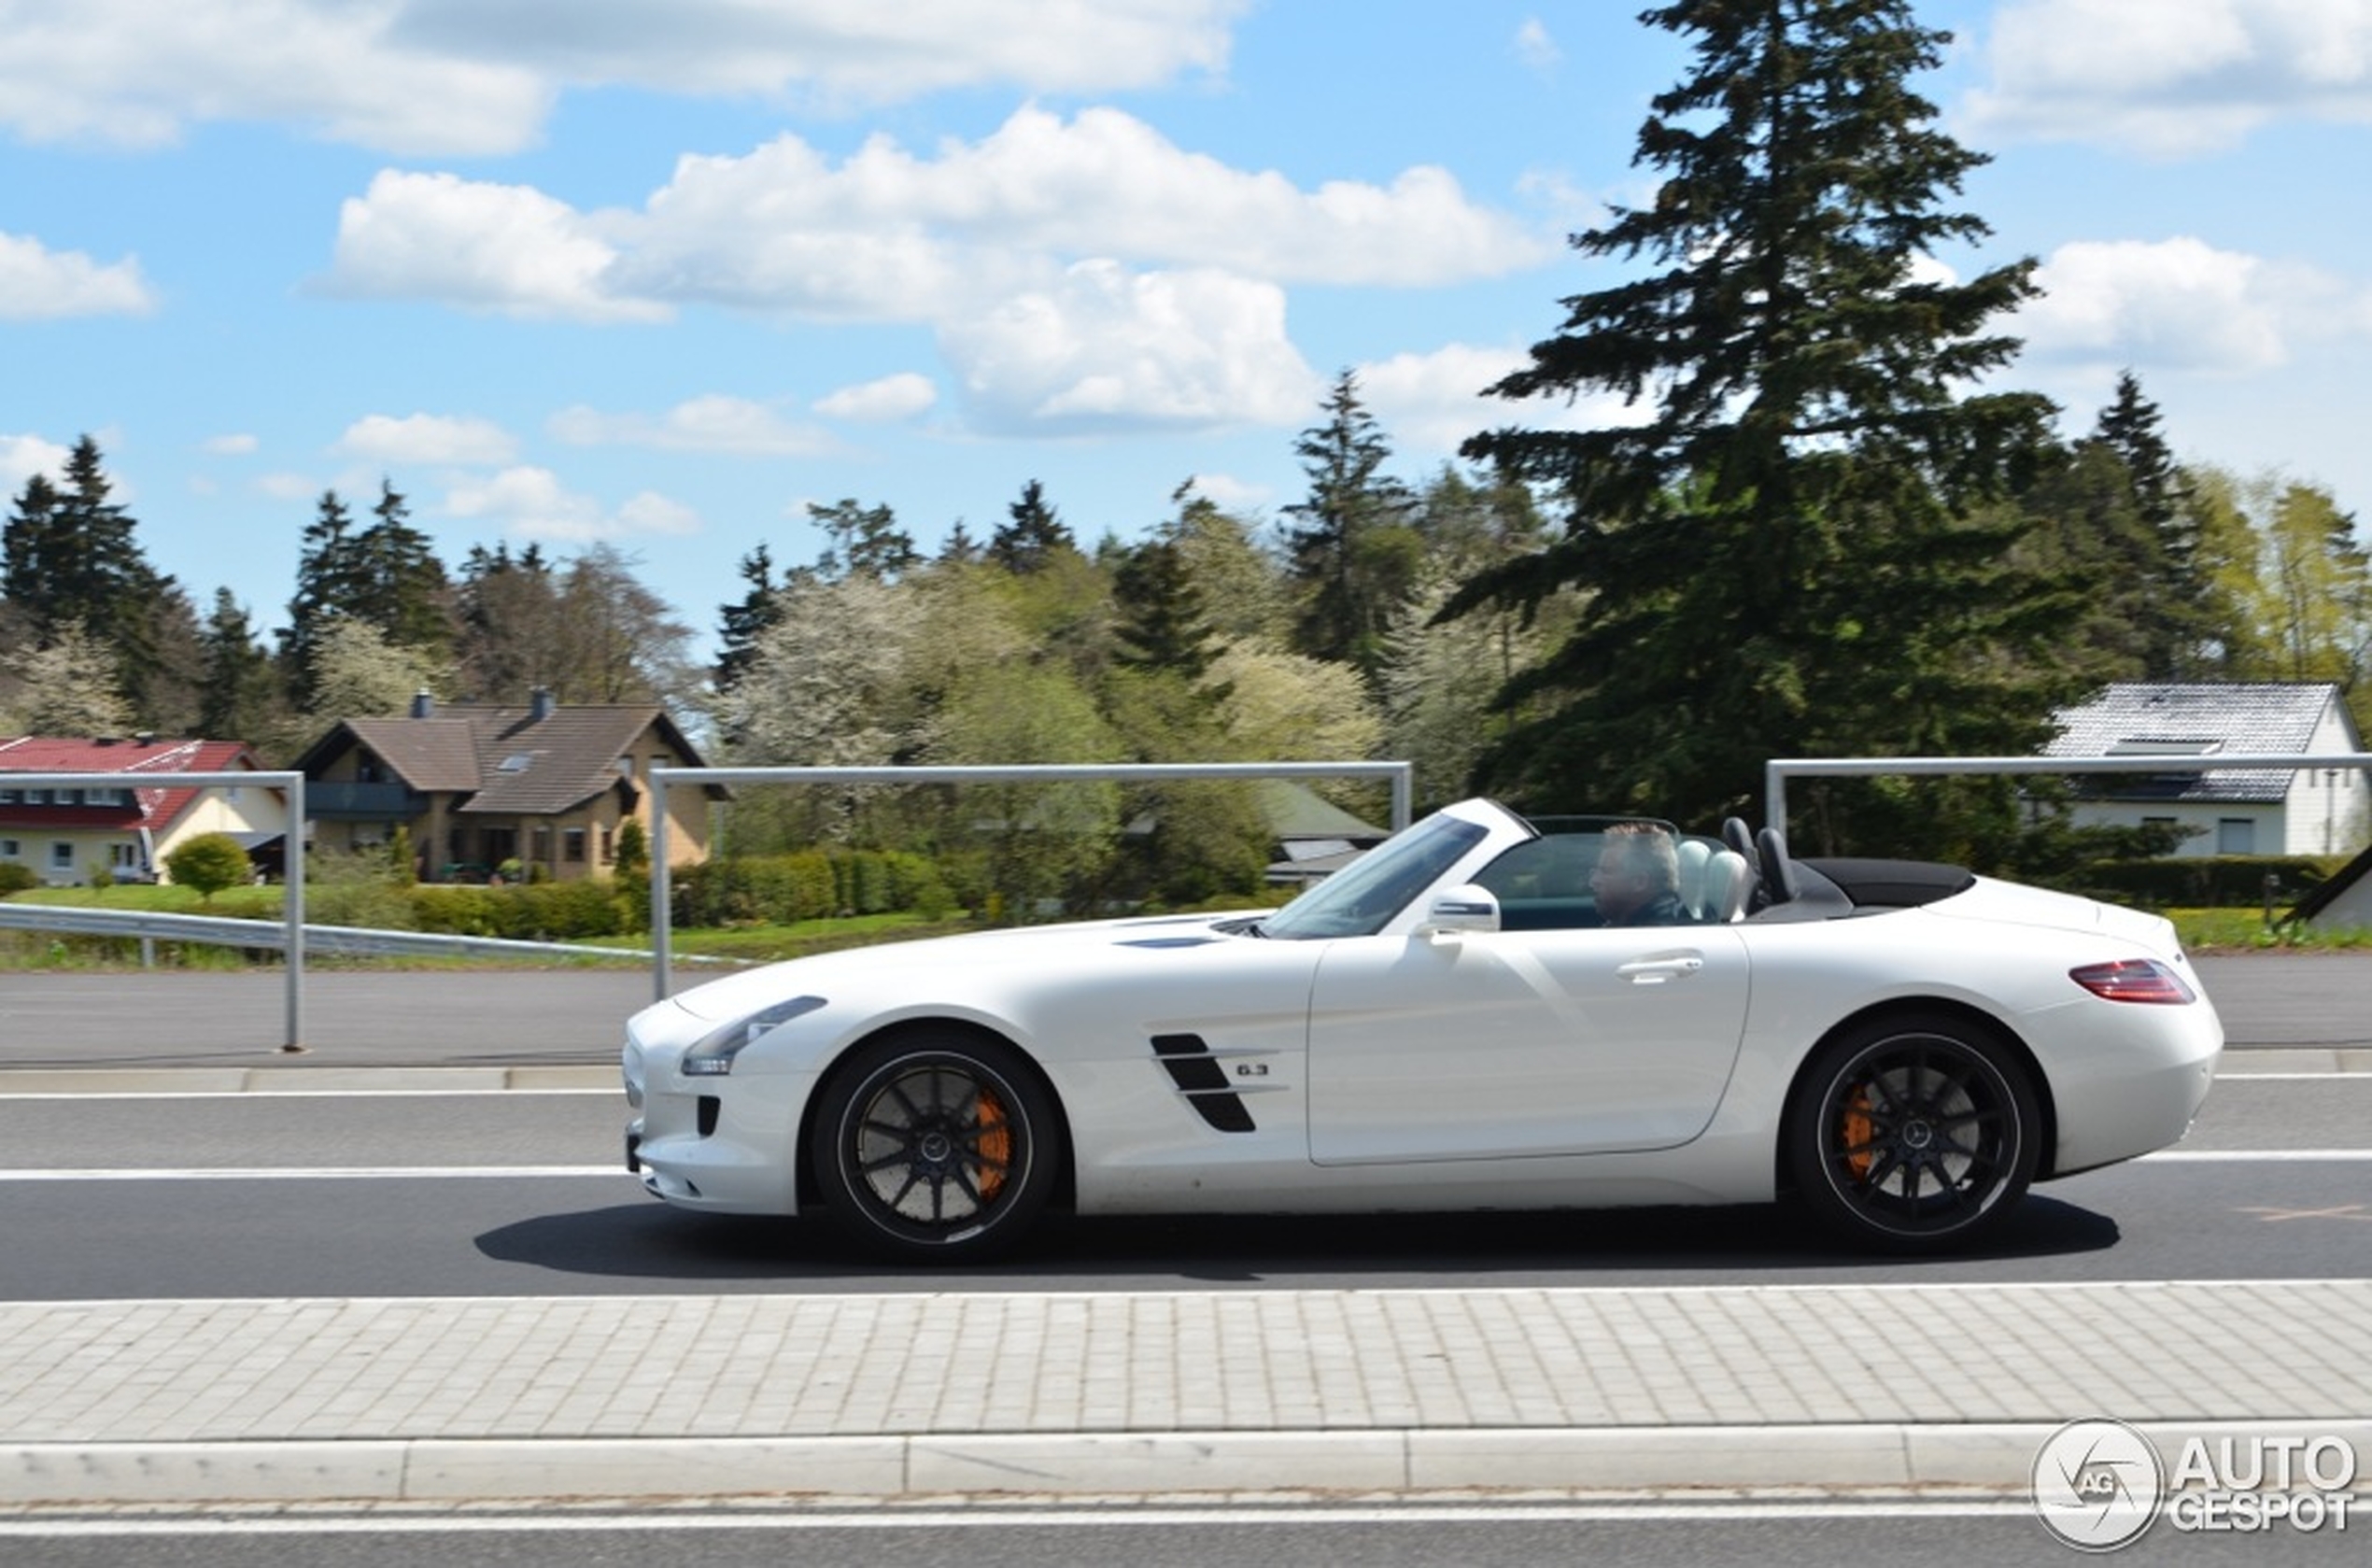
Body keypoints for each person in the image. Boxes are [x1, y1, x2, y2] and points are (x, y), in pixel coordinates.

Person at [1590, 822, 1689, 926]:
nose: (1594, 881)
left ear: (1639, 882)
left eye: (1607, 871)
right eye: (1596, 872)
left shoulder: (1654, 937)